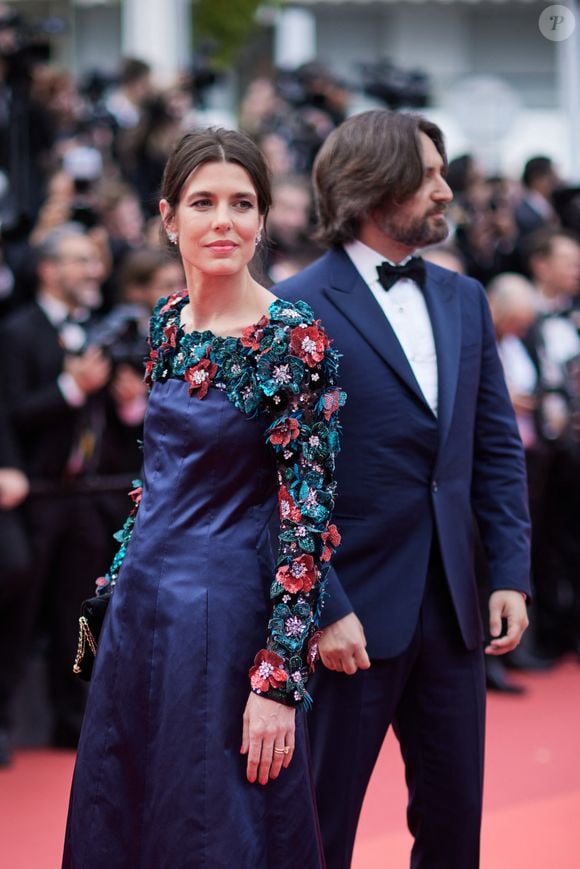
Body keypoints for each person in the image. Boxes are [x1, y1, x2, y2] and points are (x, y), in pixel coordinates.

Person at [62, 128, 344, 868]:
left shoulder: (293, 337)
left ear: (261, 218)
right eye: (203, 202)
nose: (224, 220)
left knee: (212, 830)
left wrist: (279, 679)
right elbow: (155, 481)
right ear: (168, 218)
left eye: (242, 203)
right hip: (138, 617)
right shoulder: (167, 321)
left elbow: (306, 519)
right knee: (121, 819)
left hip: (222, 628)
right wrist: (111, 592)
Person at [274, 109, 531, 869]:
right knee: (321, 828)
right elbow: (279, 481)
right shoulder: (294, 306)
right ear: (372, 186)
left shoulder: (464, 300)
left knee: (455, 827)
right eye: (428, 176)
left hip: (453, 610)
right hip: (347, 617)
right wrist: (325, 605)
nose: (446, 191)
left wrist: (510, 571)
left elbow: (495, 449)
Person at [0, 224, 146, 748]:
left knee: (79, 614)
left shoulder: (100, 330)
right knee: (21, 614)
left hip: (86, 498)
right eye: (79, 260)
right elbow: (11, 413)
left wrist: (128, 401)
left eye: (94, 260)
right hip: (36, 496)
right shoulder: (17, 332)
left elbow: (115, 422)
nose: (93, 270)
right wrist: (70, 388)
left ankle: (74, 717)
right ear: (47, 269)